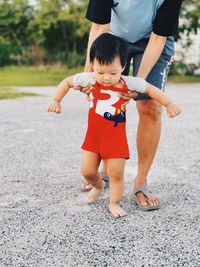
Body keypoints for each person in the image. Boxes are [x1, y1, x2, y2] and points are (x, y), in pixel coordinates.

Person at [48, 33, 181, 217]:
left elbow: (150, 89)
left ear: (123, 67)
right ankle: (99, 185)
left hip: (115, 139)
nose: (106, 78)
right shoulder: (89, 79)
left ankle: (114, 202)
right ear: (93, 64)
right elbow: (68, 82)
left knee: (116, 173)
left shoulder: (128, 83)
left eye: (113, 73)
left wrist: (169, 104)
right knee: (86, 171)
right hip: (93, 137)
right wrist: (56, 99)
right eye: (101, 72)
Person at [81, 0, 184, 210]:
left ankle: (141, 182)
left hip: (152, 41)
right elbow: (100, 26)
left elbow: (158, 38)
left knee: (150, 106)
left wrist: (138, 84)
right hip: (113, 38)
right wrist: (89, 73)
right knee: (106, 99)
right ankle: (106, 169)